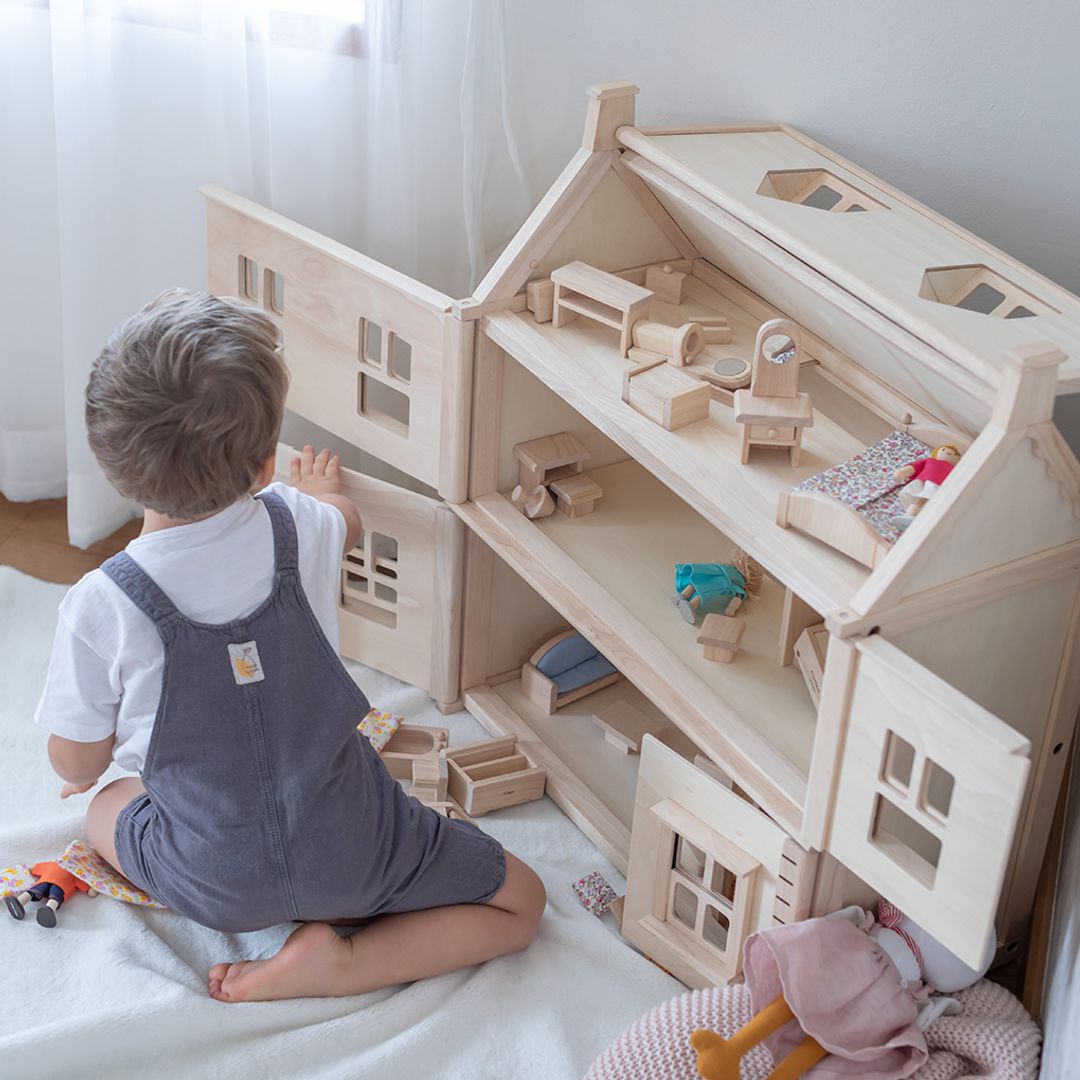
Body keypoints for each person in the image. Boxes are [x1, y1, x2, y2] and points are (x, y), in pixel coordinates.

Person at [34, 289, 545, 1002]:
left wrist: (86, 757)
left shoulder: (101, 603)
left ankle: (290, 930)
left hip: (216, 882)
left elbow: (76, 759)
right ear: (263, 467)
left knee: (105, 803)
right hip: (354, 851)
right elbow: (348, 521)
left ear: (109, 460)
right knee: (521, 903)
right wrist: (323, 491)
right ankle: (346, 962)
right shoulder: (298, 522)